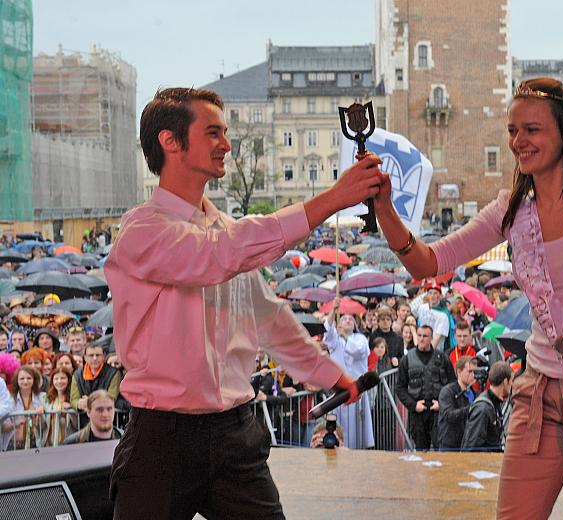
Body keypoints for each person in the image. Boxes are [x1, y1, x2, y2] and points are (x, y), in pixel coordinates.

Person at [375, 77, 563, 519]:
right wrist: (385, 209)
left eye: (531, 130)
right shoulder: (512, 208)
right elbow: (429, 262)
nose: (518, 141)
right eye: (513, 130)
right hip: (541, 390)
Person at [105, 87, 382, 519]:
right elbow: (216, 256)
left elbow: (268, 318)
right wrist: (332, 199)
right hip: (161, 439)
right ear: (170, 141)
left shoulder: (224, 230)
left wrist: (330, 374)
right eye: (213, 132)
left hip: (234, 433)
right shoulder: (143, 231)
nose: (227, 145)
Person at [322, 298, 374, 449]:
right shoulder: (336, 340)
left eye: (350, 319)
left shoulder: (361, 339)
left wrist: (344, 335)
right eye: (344, 318)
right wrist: (333, 310)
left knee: (356, 432)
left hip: (356, 391)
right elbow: (328, 331)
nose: (347, 320)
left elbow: (357, 351)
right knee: (340, 430)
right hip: (339, 391)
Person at [395, 325, 456, 450]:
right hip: (418, 413)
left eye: (425, 336)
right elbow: (400, 388)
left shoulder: (442, 358)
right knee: (421, 451)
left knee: (441, 450)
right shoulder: (407, 359)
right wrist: (413, 405)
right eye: (419, 335)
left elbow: (453, 384)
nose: (422, 339)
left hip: (438, 412)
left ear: (431, 338)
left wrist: (442, 403)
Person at [461, 361, 513, 452]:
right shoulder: (483, 409)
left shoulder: (494, 404)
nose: (512, 384)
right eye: (512, 380)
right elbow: (472, 448)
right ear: (505, 381)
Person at [437, 355, 477, 450]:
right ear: (459, 372)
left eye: (474, 372)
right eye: (469, 371)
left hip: (467, 442)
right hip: (449, 443)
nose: (473, 375)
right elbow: (449, 415)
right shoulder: (447, 391)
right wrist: (470, 409)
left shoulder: (474, 393)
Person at [70, 343, 120, 413]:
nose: (95, 358)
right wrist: (79, 404)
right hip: (84, 419)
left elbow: (111, 398)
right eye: (91, 355)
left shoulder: (114, 373)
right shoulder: (77, 374)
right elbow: (73, 400)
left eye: (98, 355)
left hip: (107, 417)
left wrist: (90, 402)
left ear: (103, 356)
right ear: (85, 357)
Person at [409, 281, 450, 350]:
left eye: (435, 293)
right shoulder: (422, 307)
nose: (432, 296)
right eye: (430, 293)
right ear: (427, 295)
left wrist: (428, 352)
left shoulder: (443, 315)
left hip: (435, 350)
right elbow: (411, 311)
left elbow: (438, 337)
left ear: (440, 296)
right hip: (420, 346)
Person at [44, 367, 77, 446]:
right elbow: (43, 425)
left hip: (69, 443)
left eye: (62, 378)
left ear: (68, 380)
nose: (59, 381)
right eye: (56, 379)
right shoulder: (48, 399)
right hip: (50, 443)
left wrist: (71, 410)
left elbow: (77, 424)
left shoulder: (74, 398)